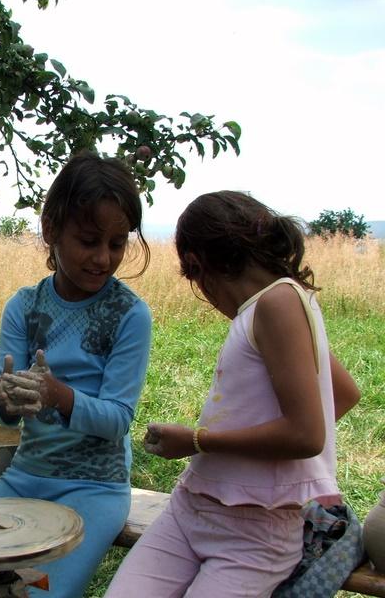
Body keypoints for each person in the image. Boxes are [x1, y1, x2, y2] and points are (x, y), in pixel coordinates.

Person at [105, 191, 361, 598]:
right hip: (191, 509)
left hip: (254, 532)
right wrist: (264, 455)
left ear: (197, 265)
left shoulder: (278, 302)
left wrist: (196, 440)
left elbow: (307, 435)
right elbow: (343, 393)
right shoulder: (277, 303)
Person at [0, 151, 153, 598]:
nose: (103, 258)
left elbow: (118, 419)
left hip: (95, 488)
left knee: (40, 593)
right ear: (51, 230)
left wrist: (58, 395)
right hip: (25, 476)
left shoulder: (129, 314)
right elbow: (3, 414)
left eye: (116, 244)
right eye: (89, 241)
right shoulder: (24, 306)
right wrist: (6, 400)